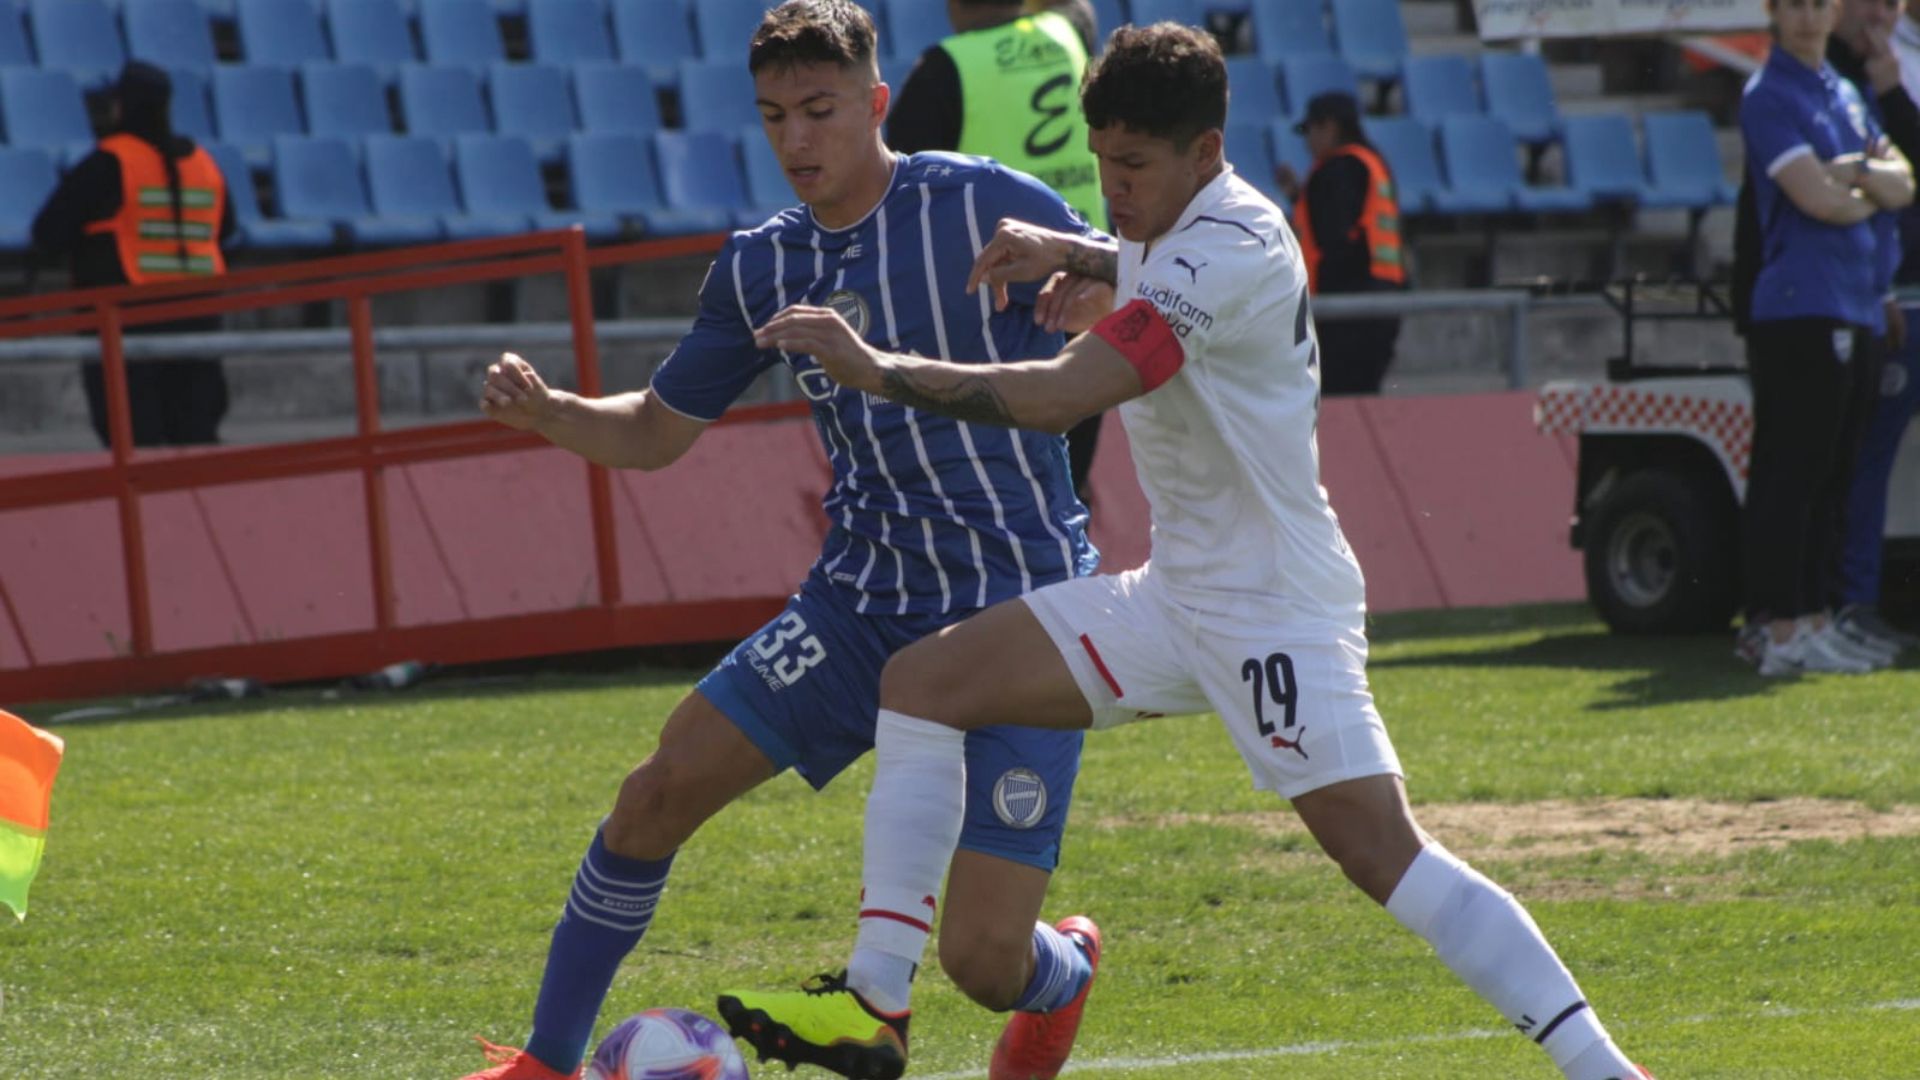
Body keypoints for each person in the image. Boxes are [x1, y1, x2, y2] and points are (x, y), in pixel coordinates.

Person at [719, 24, 1654, 1080]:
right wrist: (1077, 253)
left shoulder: (1237, 245)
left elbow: (1070, 393)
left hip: (1271, 607)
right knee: (924, 682)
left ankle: (1606, 1071)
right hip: (1174, 597)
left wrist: (876, 367)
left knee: (1381, 854)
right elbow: (1143, 257)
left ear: (1206, 152)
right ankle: (875, 1004)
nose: (1111, 188)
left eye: (1133, 167)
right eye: (1101, 161)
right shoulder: (1170, 231)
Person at [458, 3, 1107, 1079]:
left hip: (1018, 616)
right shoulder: (763, 266)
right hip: (859, 606)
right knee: (651, 795)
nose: (798, 139)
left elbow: (1147, 274)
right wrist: (551, 412)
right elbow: (661, 432)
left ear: (876, 104)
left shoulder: (983, 200)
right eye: (773, 117)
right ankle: (546, 1061)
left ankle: (1067, 968)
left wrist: (1095, 281)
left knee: (987, 962)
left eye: (820, 109)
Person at [1737, 0, 1916, 676]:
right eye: (1797, 6)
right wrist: (1863, 185)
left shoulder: (1841, 88)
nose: (1810, 18)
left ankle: (1816, 618)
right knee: (1797, 473)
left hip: (1855, 300)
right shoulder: (1769, 95)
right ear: (1775, 14)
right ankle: (1782, 628)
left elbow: (1901, 183)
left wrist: (1854, 176)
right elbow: (1818, 199)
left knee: (1835, 473)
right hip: (1800, 306)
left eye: (1819, 5)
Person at [888, 0, 1111, 500]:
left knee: (1002, 502)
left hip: (996, 324)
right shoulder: (1067, 33)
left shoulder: (941, 71)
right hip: (1086, 304)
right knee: (1067, 497)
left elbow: (897, 199)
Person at [31, 60, 234, 448]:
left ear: (120, 107)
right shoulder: (204, 164)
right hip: (200, 321)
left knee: (138, 448)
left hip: (128, 324)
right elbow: (226, 230)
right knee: (197, 444)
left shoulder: (109, 162)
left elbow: (49, 231)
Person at [1275, 90, 1407, 396]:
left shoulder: (1338, 170)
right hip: (1384, 300)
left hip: (1348, 309)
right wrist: (1299, 196)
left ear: (1330, 127)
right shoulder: (1371, 164)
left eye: (1310, 130)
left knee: (1338, 397)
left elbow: (1335, 239)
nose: (1307, 142)